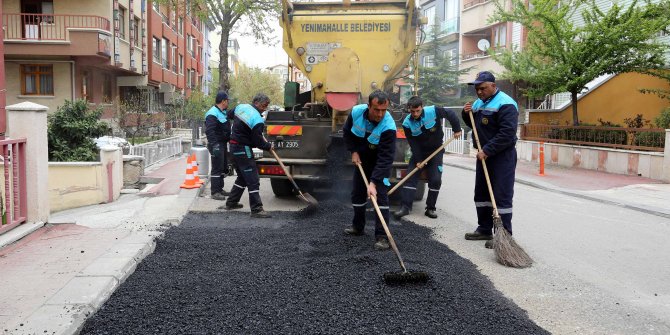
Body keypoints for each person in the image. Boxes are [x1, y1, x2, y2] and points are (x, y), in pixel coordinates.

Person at [462, 71, 519, 249]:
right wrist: (466, 114)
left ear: (493, 86)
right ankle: (484, 228)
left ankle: (504, 235)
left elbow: (507, 134)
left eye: (483, 88)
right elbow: (474, 124)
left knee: (501, 196)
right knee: (482, 194)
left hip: (502, 157)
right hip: (484, 156)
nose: (479, 92)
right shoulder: (479, 104)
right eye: (477, 89)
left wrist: (487, 150)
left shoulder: (506, 103)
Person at [342, 90, 397, 250]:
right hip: (362, 159)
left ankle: (382, 237)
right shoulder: (356, 113)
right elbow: (347, 133)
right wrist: (353, 151)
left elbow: (386, 158)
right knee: (357, 194)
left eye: (384, 110)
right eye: (376, 110)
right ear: (368, 106)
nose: (380, 114)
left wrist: (373, 182)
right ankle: (358, 227)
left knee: (380, 197)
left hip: (380, 163)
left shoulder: (388, 126)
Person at [393, 96, 462, 220]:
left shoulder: (433, 111)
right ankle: (405, 207)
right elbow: (413, 143)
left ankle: (430, 208)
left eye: (417, 111)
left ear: (422, 107)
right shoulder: (407, 123)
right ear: (409, 109)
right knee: (410, 177)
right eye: (412, 111)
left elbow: (450, 113)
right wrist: (419, 160)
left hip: (436, 151)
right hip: (419, 152)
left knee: (435, 179)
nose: (415, 114)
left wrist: (456, 129)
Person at [224, 93, 274, 218]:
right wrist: (268, 146)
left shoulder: (241, 107)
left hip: (233, 148)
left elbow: (229, 114)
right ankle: (256, 209)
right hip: (243, 149)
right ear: (256, 102)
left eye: (266, 106)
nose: (264, 108)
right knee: (253, 179)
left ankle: (231, 202)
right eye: (264, 106)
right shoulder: (257, 120)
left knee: (242, 177)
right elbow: (258, 142)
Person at [204, 91, 231, 201]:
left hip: (222, 144)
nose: (228, 102)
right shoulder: (212, 113)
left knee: (222, 167)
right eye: (227, 100)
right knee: (216, 168)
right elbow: (210, 131)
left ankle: (220, 189)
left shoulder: (222, 112)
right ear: (223, 101)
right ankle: (215, 192)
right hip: (216, 144)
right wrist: (215, 145)